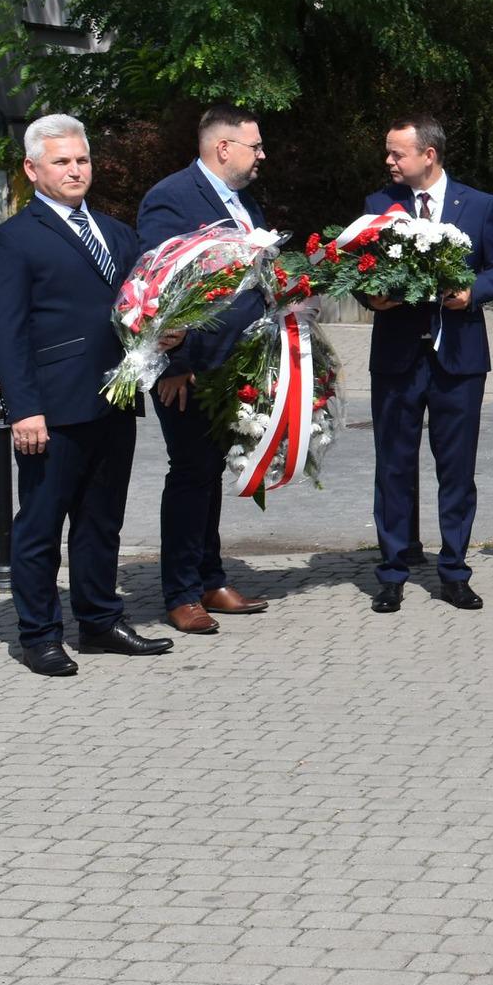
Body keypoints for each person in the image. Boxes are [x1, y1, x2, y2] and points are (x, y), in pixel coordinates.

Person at [0, 114, 174, 675]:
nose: (74, 170)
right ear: (32, 168)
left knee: (100, 520)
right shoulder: (11, 240)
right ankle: (39, 635)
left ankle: (99, 620)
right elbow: (5, 332)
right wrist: (24, 408)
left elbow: (142, 306)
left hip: (114, 400)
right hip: (51, 409)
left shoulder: (116, 233)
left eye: (81, 159)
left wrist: (167, 338)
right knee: (40, 527)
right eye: (61, 161)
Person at [364, 115, 493, 613]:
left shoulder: (477, 205)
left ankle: (454, 570)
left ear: (428, 155)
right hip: (396, 358)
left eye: (397, 154)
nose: (389, 161)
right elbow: (360, 270)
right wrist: (374, 299)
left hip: (458, 358)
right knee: (393, 467)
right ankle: (391, 572)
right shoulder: (378, 206)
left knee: (456, 470)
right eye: (388, 153)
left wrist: (473, 293)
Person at [136, 104, 276, 633]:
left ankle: (210, 578)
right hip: (188, 371)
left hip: (234, 364)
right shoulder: (172, 198)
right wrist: (174, 362)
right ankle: (180, 593)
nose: (262, 154)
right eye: (255, 146)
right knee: (191, 473)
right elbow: (159, 285)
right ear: (224, 148)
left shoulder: (244, 204)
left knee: (209, 473)